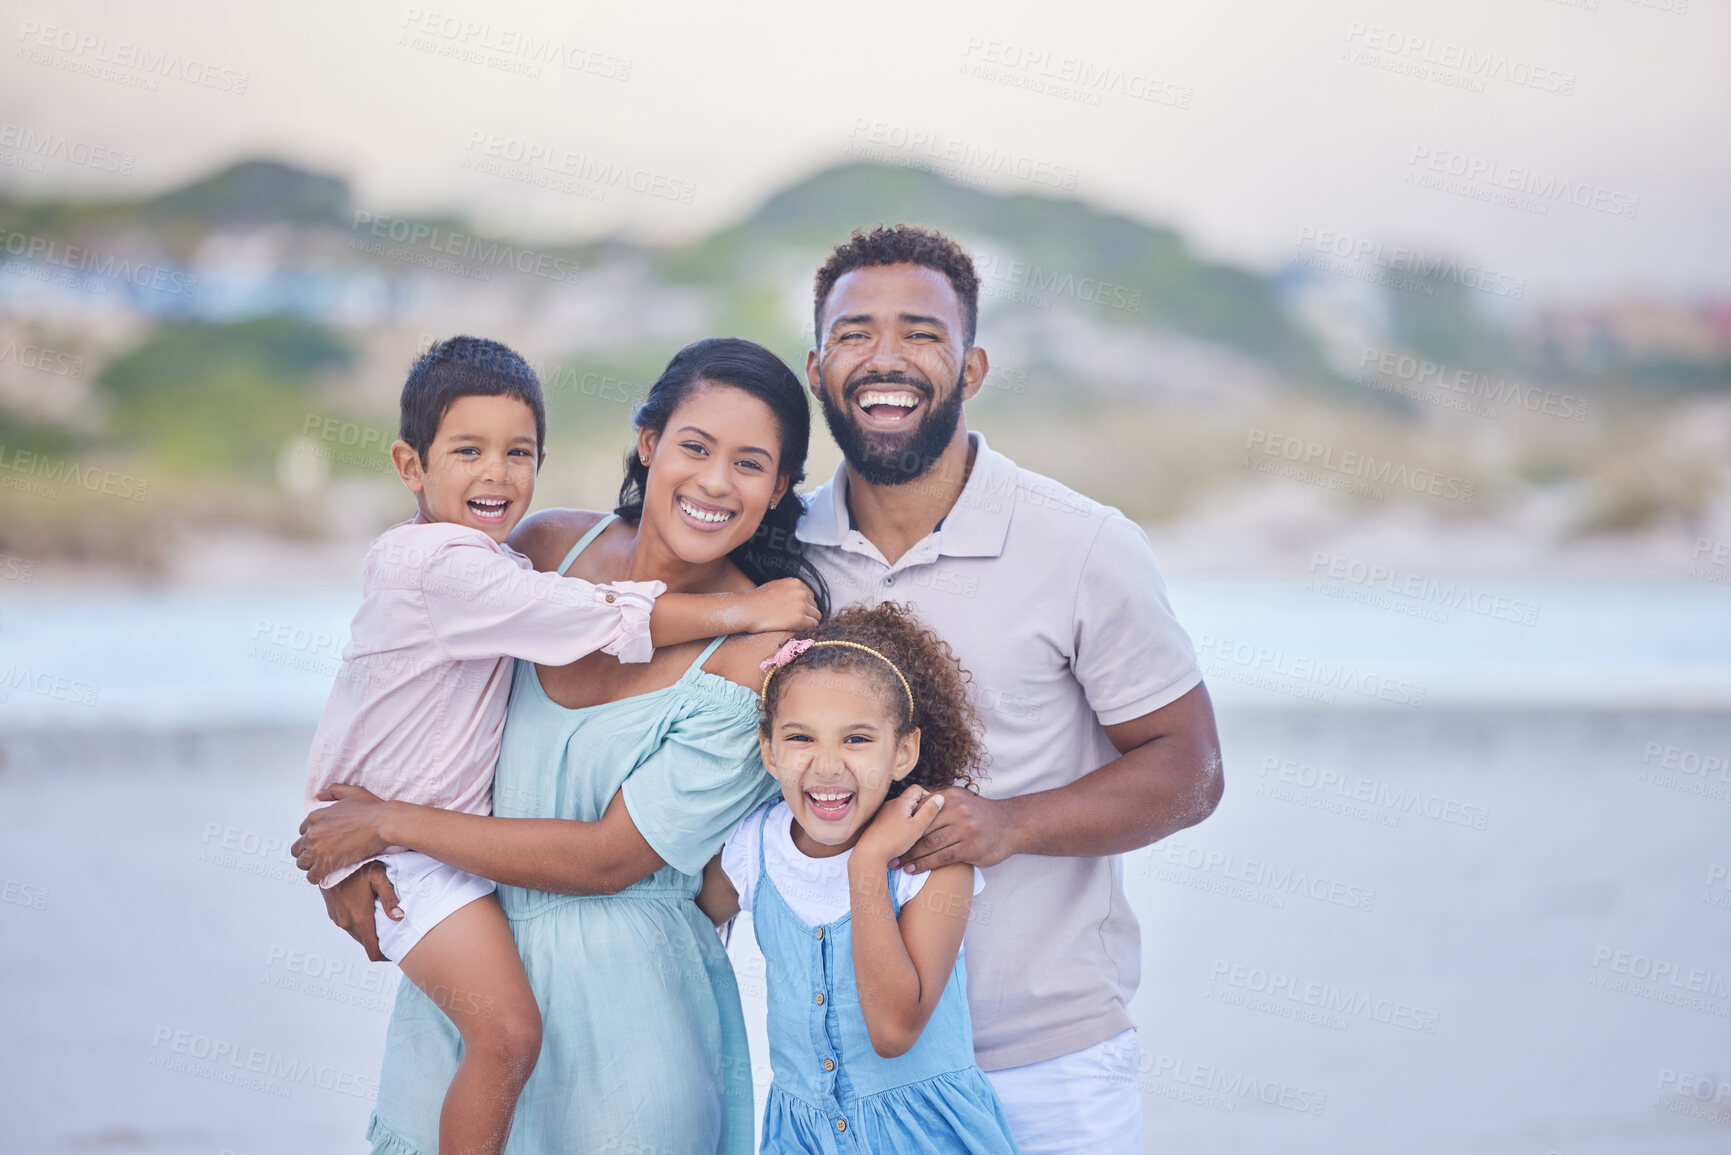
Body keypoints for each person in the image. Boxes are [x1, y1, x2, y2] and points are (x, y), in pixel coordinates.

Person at [293, 337, 827, 1154]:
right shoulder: (543, 549)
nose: (716, 481)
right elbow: (401, 687)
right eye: (693, 446)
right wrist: (351, 848)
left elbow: (608, 859)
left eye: (750, 464)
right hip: (471, 980)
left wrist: (388, 825)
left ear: (780, 488)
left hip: (629, 1023)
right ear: (648, 444)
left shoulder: (758, 655)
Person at [792, 226, 1225, 1154]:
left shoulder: (1080, 544)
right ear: (818, 366)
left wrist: (1010, 823)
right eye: (855, 332)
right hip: (845, 1073)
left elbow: (1191, 768)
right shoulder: (779, 554)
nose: (885, 357)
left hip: (1044, 1065)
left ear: (973, 366)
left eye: (921, 332)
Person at [696, 602, 1019, 1154]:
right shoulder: (754, 847)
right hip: (800, 1139)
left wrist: (867, 865)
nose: (826, 766)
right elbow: (680, 926)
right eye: (801, 738)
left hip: (925, 1137)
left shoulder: (933, 864)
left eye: (857, 739)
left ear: (904, 751)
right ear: (768, 751)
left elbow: (893, 1032)